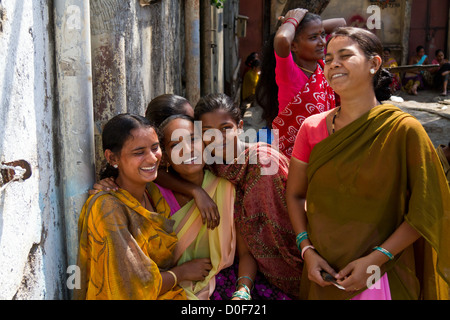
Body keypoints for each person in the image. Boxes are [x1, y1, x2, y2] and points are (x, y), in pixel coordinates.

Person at [286, 27, 450, 300]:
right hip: (322, 271)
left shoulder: (403, 130)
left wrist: (377, 258)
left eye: (345, 55)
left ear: (374, 64)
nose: (333, 64)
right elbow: (294, 194)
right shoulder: (311, 128)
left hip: (382, 273)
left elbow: (427, 207)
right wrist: (307, 250)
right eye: (327, 59)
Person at [75, 114, 213, 300]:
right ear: (112, 157)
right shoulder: (107, 208)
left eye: (155, 148)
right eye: (139, 152)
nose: (151, 159)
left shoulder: (154, 194)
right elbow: (129, 287)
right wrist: (180, 273)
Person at [194, 93, 302, 300]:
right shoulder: (213, 167)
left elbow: (282, 224)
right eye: (208, 132)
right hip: (247, 264)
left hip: (292, 261)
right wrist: (196, 191)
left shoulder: (263, 162)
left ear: (240, 126)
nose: (218, 138)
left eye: (225, 128)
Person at [154, 114, 236, 299]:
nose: (188, 149)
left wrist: (243, 292)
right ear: (165, 157)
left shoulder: (226, 188)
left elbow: (245, 254)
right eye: (175, 145)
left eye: (194, 139)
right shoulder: (154, 195)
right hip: (169, 287)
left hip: (222, 282)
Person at [256, 8, 345, 157]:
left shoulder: (322, 67)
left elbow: (341, 23)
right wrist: (293, 20)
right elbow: (283, 39)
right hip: (296, 158)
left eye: (322, 35)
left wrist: (308, 24)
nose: (322, 42)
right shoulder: (289, 74)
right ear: (294, 46)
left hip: (325, 153)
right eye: (313, 38)